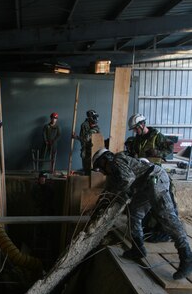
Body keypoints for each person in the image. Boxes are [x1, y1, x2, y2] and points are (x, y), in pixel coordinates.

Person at [92, 148, 192, 280]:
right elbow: (111, 189)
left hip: (155, 179)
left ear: (104, 160)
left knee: (166, 217)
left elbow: (128, 179)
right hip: (146, 184)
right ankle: (138, 248)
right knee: (134, 213)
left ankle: (187, 257)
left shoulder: (115, 162)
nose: (103, 173)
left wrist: (118, 195)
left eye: (100, 168)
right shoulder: (115, 169)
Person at [126, 113, 177, 242]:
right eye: (134, 129)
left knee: (163, 201)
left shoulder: (156, 137)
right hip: (143, 173)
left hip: (157, 173)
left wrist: (158, 153)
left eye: (136, 128)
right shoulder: (137, 139)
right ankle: (147, 227)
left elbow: (170, 147)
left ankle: (168, 231)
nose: (135, 131)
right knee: (145, 202)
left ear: (142, 125)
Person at [73, 109, 100, 175]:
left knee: (94, 169)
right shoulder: (85, 125)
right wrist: (76, 137)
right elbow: (84, 139)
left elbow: (98, 138)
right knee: (87, 169)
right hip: (86, 150)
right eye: (94, 117)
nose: (96, 119)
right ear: (90, 117)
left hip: (95, 150)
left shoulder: (96, 127)